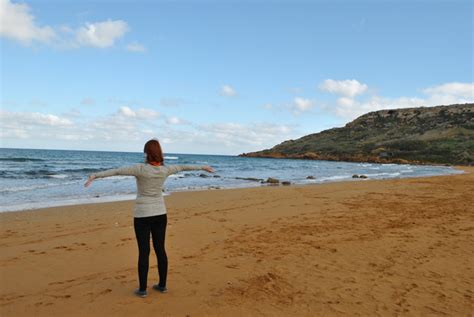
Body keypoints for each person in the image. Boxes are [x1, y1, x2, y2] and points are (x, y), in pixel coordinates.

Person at [84, 139, 214, 298]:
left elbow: (117, 171)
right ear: (159, 153)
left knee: (144, 252)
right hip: (160, 214)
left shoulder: (140, 169)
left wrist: (94, 176)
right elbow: (184, 167)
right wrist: (204, 167)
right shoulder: (166, 170)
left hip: (142, 215)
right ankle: (162, 285)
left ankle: (143, 289)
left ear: (147, 153)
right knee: (160, 249)